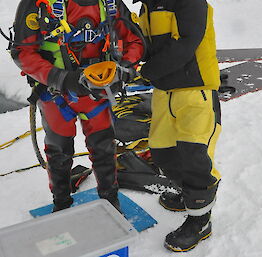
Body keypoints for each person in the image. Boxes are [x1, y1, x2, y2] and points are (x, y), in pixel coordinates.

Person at [11, 0, 144, 212]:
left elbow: (135, 40)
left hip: (97, 91)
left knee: (104, 148)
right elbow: (22, 53)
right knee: (59, 152)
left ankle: (110, 202)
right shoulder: (38, 4)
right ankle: (61, 204)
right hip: (56, 95)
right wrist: (63, 80)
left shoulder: (109, 3)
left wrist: (124, 69)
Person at [135, 0, 222, 252]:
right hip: (164, 92)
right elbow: (146, 47)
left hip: (196, 91)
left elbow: (186, 44)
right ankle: (189, 194)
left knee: (195, 156)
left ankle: (200, 220)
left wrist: (143, 73)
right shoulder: (147, 6)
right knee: (164, 152)